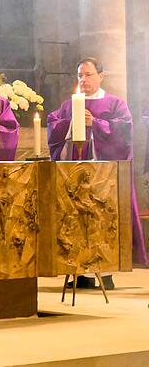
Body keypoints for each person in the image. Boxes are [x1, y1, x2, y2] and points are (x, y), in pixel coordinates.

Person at [47, 57, 148, 289]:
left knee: (103, 221)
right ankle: (78, 272)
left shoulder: (114, 104)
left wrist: (97, 123)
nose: (84, 80)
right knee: (76, 221)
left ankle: (107, 272)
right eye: (80, 75)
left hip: (105, 176)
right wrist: (70, 122)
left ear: (101, 76)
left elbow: (124, 131)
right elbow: (53, 124)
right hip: (75, 175)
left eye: (89, 74)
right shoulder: (69, 105)